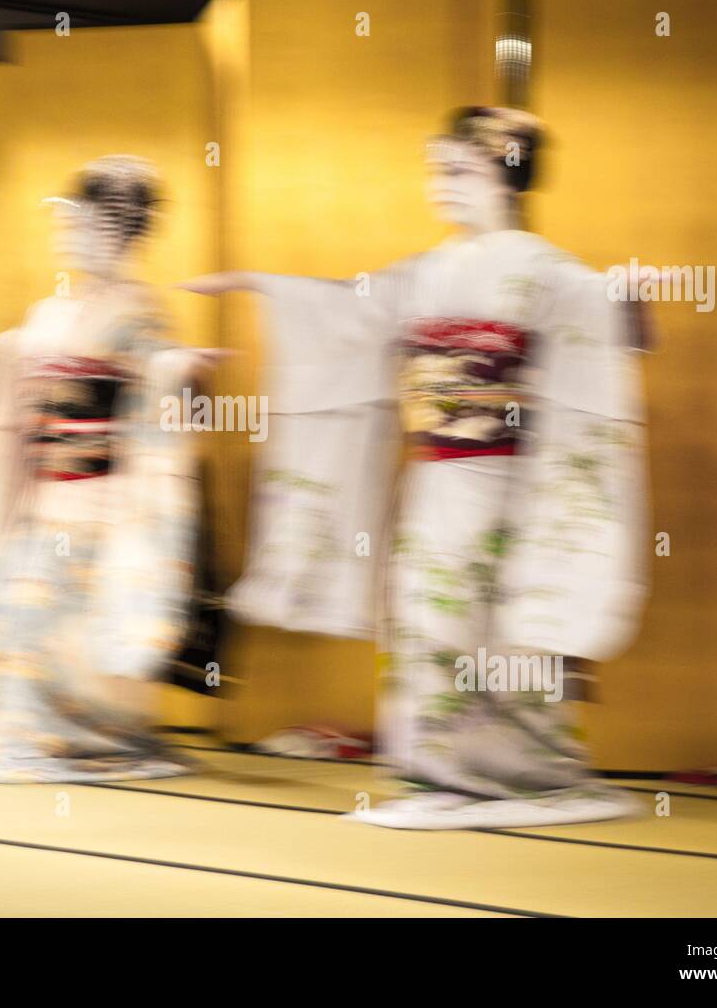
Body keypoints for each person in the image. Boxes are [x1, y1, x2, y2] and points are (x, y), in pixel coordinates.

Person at [181, 107, 649, 828]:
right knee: (426, 618)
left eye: (459, 169)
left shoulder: (548, 272)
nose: (441, 185)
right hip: (436, 479)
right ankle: (441, 770)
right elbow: (349, 312)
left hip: (509, 482)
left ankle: (533, 772)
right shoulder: (426, 272)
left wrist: (622, 302)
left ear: (507, 172)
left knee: (499, 626)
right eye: (437, 170)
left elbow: (603, 336)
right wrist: (265, 284)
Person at [0, 156, 207, 782]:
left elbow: (161, 374)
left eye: (82, 224)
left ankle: (99, 738)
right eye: (69, 223)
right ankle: (30, 740)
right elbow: (9, 360)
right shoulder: (51, 311)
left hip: (105, 495)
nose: (68, 235)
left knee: (82, 627)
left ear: (117, 230)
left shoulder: (141, 312)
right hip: (44, 494)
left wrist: (177, 366)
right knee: (27, 623)